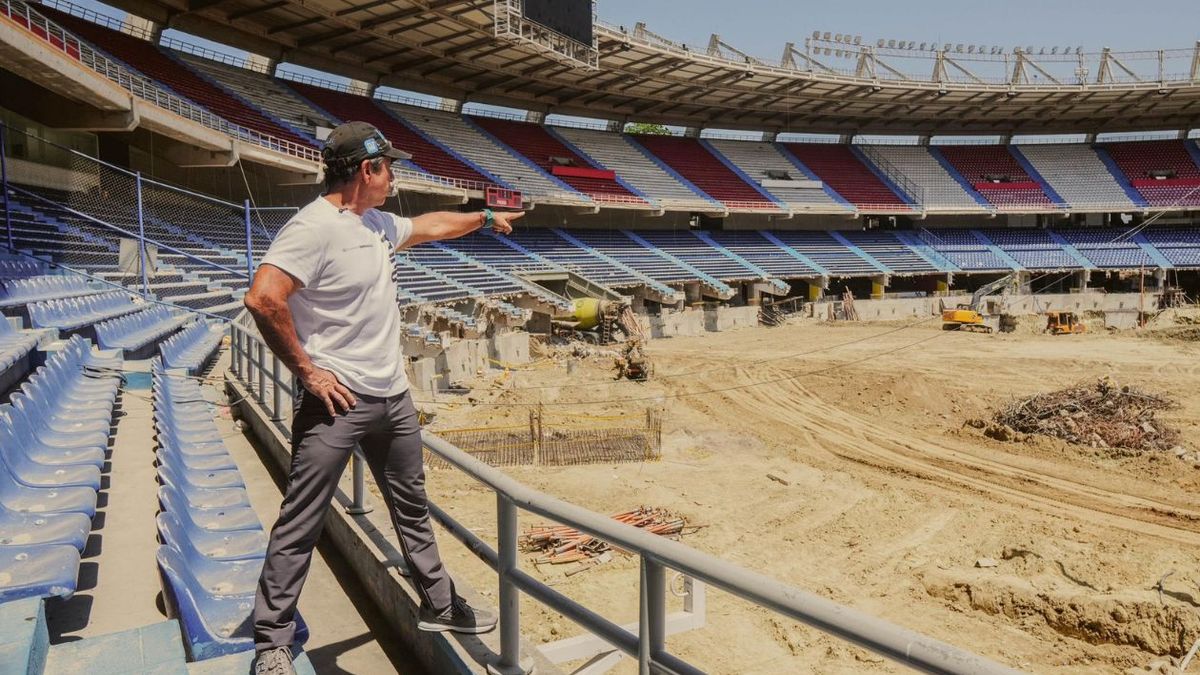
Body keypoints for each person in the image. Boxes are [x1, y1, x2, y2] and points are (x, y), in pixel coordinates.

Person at [244, 121, 524, 675]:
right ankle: (272, 642)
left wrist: (485, 217)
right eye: (389, 166)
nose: (395, 175)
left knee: (411, 509)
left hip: (392, 399)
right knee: (301, 520)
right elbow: (262, 298)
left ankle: (440, 603)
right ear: (366, 170)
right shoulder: (314, 228)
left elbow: (432, 226)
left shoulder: (373, 223)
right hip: (337, 403)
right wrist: (309, 373)